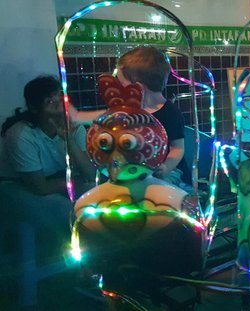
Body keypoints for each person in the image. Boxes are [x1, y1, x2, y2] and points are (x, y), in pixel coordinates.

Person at [73, 46, 191, 187]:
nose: (119, 88)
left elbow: (178, 148)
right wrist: (78, 117)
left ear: (137, 88)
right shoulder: (127, 112)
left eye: (122, 84)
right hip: (134, 171)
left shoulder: (170, 113)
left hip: (169, 172)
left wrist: (166, 167)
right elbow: (105, 116)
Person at [0, 75, 94, 246]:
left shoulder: (75, 128)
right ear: (35, 109)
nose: (60, 106)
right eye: (51, 102)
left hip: (57, 180)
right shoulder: (22, 135)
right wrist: (76, 182)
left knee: (99, 196)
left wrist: (69, 140)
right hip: (16, 186)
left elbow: (90, 172)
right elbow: (39, 187)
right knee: (67, 209)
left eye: (61, 98)